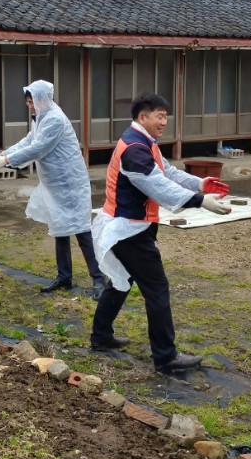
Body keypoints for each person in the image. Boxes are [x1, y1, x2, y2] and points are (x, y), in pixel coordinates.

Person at [90, 93, 232, 373]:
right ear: (142, 117)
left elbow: (166, 171)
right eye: (160, 116)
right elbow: (158, 186)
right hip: (127, 229)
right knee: (156, 288)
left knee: (122, 280)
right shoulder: (134, 149)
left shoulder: (143, 142)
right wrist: (201, 201)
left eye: (166, 116)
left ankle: (101, 336)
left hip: (127, 225)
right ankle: (166, 357)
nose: (164, 122)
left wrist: (200, 184)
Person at [0, 80, 107, 299]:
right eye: (28, 103)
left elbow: (38, 148)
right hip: (54, 184)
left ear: (43, 99)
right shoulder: (41, 118)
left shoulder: (55, 119)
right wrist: (4, 154)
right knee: (59, 229)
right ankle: (64, 276)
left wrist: (7, 160)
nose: (31, 106)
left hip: (70, 183)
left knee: (81, 230)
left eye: (33, 101)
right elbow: (29, 140)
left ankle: (99, 279)